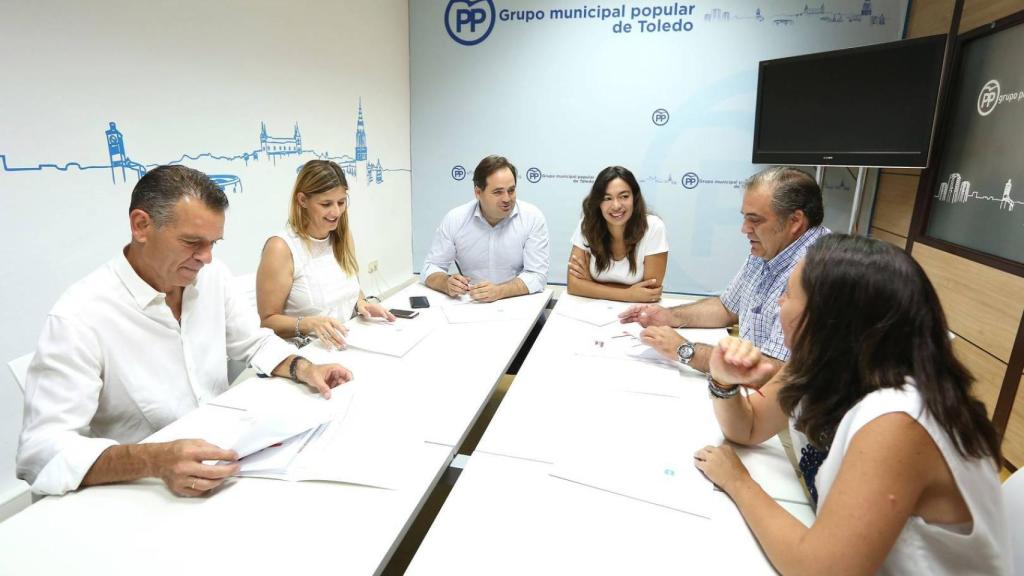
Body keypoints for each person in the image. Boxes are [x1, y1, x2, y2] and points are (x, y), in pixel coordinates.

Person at [17, 165, 353, 497]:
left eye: (213, 244)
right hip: (142, 489)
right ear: (141, 225)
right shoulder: (81, 315)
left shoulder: (211, 277)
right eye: (192, 242)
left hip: (222, 464)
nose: (206, 258)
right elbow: (40, 452)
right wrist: (154, 459)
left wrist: (303, 368)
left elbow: (253, 342)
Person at [694, 234, 1008, 575]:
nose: (779, 304)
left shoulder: (900, 420)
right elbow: (748, 427)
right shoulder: (820, 362)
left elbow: (819, 569)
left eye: (788, 294)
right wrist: (724, 381)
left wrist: (739, 483)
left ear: (828, 317)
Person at [621, 166, 828, 375]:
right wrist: (670, 317)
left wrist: (686, 351)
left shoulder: (817, 271)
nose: (744, 229)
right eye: (745, 217)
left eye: (755, 220)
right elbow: (727, 308)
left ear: (795, 221)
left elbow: (778, 372)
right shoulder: (770, 247)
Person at [257, 160, 393, 350]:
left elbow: (351, 287)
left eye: (341, 202)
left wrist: (361, 303)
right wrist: (307, 324)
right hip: (305, 353)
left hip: (345, 342)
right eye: (326, 204)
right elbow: (267, 322)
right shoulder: (281, 248)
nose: (336, 212)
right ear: (302, 200)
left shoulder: (342, 237)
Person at [422, 155, 549, 302]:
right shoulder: (456, 219)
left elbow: (538, 276)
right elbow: (431, 267)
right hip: (471, 303)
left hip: (516, 301)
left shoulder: (532, 217)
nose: (507, 199)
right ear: (478, 192)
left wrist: (499, 291)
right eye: (498, 192)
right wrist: (446, 283)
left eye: (511, 190)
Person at [566, 166, 667, 302]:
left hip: (637, 312)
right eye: (607, 198)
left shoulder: (654, 227)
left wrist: (591, 285)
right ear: (598, 202)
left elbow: (650, 293)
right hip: (593, 309)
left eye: (624, 196)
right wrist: (629, 294)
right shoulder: (588, 224)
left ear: (634, 198)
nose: (616, 205)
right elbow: (573, 286)